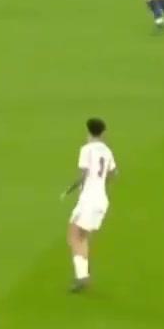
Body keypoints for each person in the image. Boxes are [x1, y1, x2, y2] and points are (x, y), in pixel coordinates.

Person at [61, 117, 117, 292]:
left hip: (88, 199)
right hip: (101, 199)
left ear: (88, 130)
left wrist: (70, 189)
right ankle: (83, 275)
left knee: (73, 235)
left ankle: (81, 277)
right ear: (102, 132)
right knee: (82, 237)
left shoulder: (86, 149)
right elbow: (114, 173)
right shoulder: (107, 151)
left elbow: (83, 174)